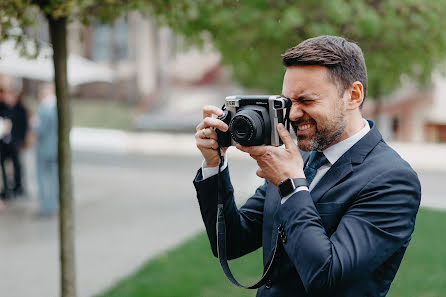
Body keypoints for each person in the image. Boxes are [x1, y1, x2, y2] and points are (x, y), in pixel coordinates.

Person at [193, 36, 421, 297]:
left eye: (307, 100)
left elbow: (326, 277)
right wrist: (214, 164)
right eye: (288, 101)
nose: (292, 114)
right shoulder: (295, 157)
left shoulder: (392, 179)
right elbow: (231, 242)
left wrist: (291, 185)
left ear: (353, 95)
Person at [0, 74, 28, 199]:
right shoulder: (2, 108)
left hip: (14, 141)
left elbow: (23, 126)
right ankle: (6, 189)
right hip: (3, 142)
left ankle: (18, 187)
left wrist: (20, 140)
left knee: (17, 165)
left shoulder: (20, 110)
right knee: (4, 167)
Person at [33, 83, 58, 216]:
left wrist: (33, 124)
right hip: (55, 148)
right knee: (54, 178)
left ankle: (46, 207)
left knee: (43, 178)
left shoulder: (44, 109)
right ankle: (53, 204)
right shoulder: (58, 108)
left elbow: (40, 129)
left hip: (44, 149)